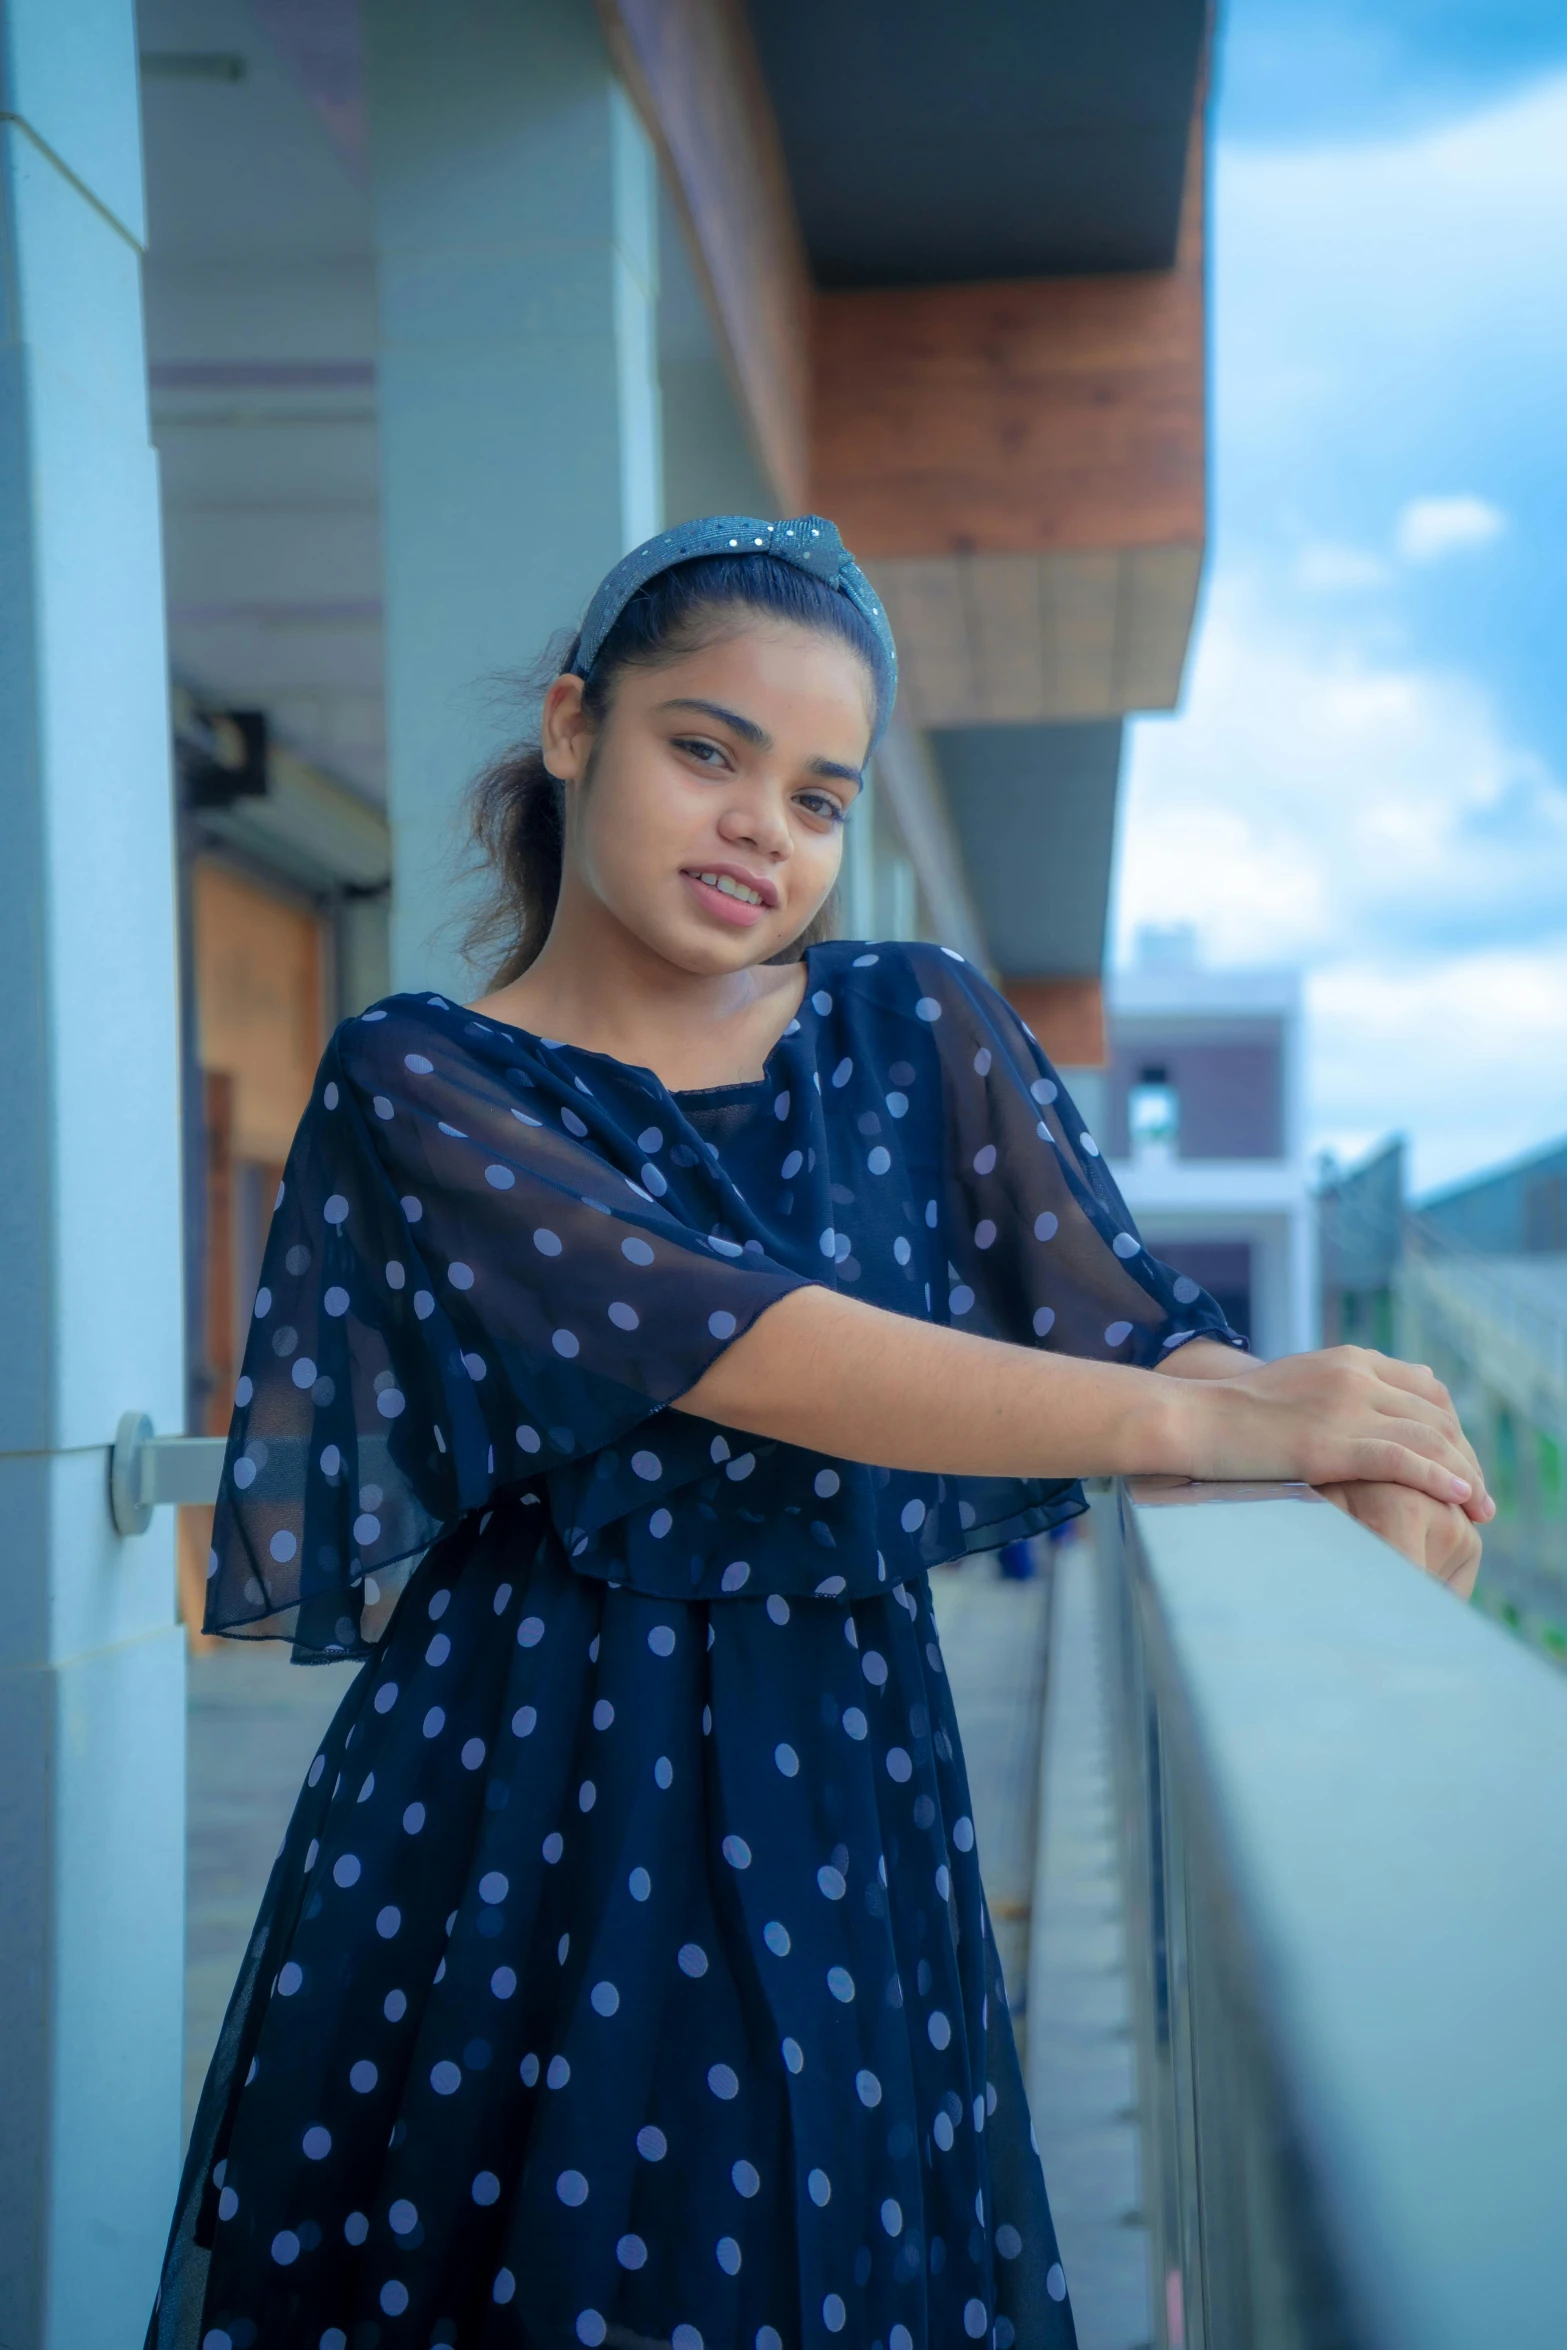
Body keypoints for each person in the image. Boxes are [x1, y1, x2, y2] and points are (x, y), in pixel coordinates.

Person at [148, 514, 1488, 2350]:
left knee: (825, 2261)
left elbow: (1139, 1327)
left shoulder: (912, 1022)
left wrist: (1340, 1447)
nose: (759, 825)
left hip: (841, 1767)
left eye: (818, 792)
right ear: (571, 727)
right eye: (705, 749)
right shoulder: (423, 1072)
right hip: (517, 1782)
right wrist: (1224, 1410)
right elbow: (741, 1344)